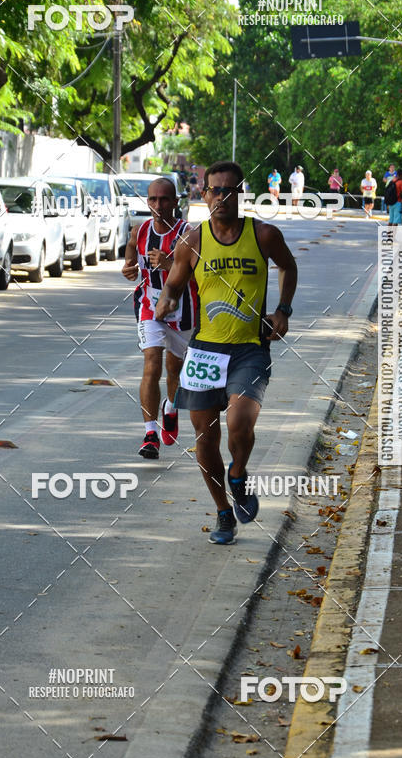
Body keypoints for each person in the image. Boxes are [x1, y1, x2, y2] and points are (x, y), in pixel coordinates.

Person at [155, 160, 298, 545]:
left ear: (240, 194)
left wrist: (283, 310)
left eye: (229, 190)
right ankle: (222, 511)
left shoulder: (264, 234)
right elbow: (173, 284)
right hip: (205, 351)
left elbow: (288, 266)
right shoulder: (193, 241)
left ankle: (238, 473)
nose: (221, 197)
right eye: (215, 190)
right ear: (204, 195)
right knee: (205, 438)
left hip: (250, 349)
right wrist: (167, 300)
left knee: (240, 424)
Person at [121, 177, 197, 459]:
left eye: (164, 199)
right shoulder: (140, 231)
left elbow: (201, 273)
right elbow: (131, 249)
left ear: (175, 202)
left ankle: (171, 408)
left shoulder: (188, 234)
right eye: (153, 199)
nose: (158, 205)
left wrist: (171, 264)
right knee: (151, 364)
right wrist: (129, 267)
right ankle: (150, 434)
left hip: (182, 309)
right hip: (149, 306)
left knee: (175, 370)